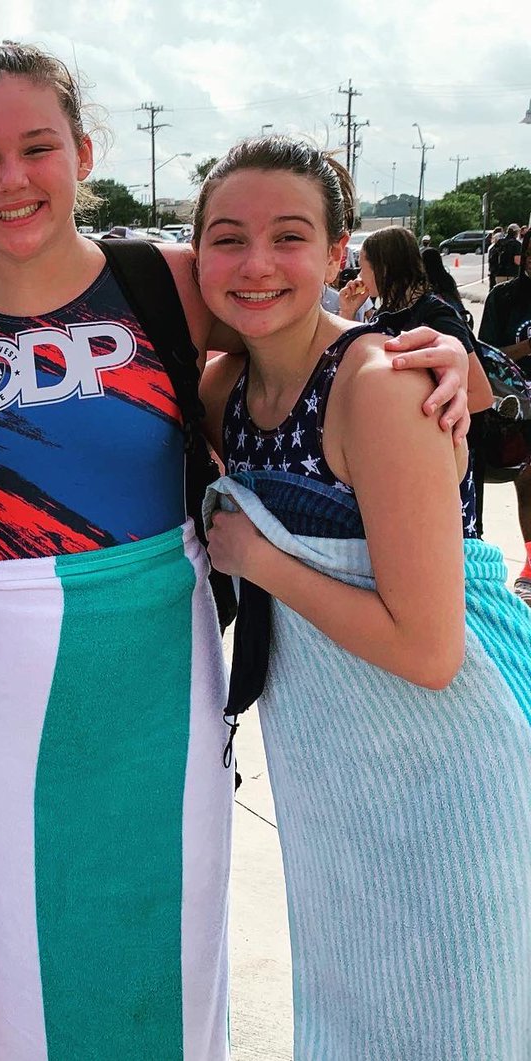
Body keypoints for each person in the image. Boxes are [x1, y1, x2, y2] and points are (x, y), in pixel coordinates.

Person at [0, 43, 472, 1060]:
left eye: (36, 146)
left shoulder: (166, 282)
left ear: (83, 151)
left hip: (160, 654)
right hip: (3, 673)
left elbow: (317, 340)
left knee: (172, 930)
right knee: (23, 939)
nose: (11, 177)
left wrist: (452, 354)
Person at [197, 136, 531, 1060]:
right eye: (227, 239)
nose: (257, 264)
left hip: (450, 770)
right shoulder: (221, 390)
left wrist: (261, 562)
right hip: (337, 778)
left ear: (342, 252)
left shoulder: (379, 386)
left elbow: (430, 650)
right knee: (355, 1021)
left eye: (290, 236)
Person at [341, 225, 487, 532]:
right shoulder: (387, 313)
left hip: (442, 467)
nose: (359, 275)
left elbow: (481, 393)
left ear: (382, 268)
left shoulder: (435, 316)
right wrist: (348, 313)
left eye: (363, 266)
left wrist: (421, 423)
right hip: (401, 466)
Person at [481, 228, 531, 602]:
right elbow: (488, 354)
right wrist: (527, 346)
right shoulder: (505, 297)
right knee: (527, 485)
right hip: (519, 410)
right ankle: (529, 569)